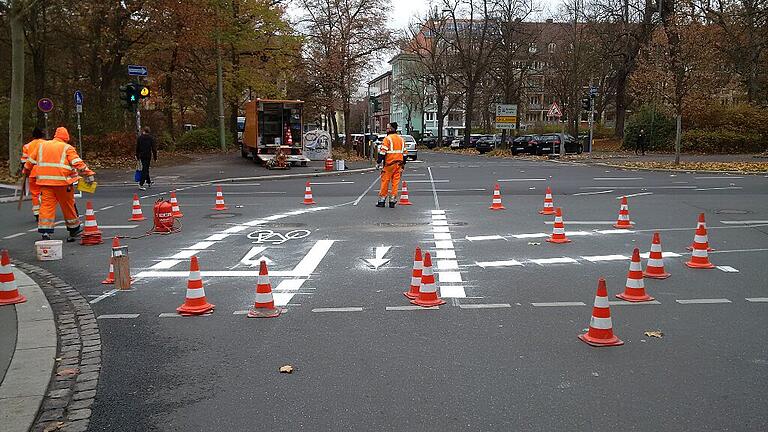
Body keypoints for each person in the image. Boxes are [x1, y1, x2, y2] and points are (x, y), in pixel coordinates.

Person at [22, 127, 95, 242]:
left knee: (46, 206)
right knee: (68, 206)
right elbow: (77, 163)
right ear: (66, 138)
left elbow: (30, 161)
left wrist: (25, 171)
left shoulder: (42, 146)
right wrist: (88, 174)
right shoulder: (67, 148)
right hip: (63, 183)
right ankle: (74, 229)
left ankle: (45, 231)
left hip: (45, 183)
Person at [376, 122, 407, 208]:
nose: (387, 129)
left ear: (391, 129)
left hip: (389, 164)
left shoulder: (387, 139)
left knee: (385, 181)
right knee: (395, 183)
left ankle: (382, 200)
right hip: (399, 164)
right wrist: (403, 164)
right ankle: (392, 200)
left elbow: (382, 152)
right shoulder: (401, 139)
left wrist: (378, 162)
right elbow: (405, 154)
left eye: (387, 128)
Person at [20, 127, 45, 220]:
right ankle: (43, 210)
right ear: (42, 135)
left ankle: (37, 212)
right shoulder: (46, 144)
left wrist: (25, 171)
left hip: (32, 172)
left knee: (35, 193)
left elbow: (24, 161)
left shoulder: (27, 146)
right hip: (44, 173)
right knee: (44, 193)